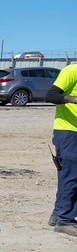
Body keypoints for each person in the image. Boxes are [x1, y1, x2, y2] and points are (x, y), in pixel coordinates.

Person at [46, 62, 77, 236]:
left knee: (70, 174)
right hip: (68, 131)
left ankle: (58, 215)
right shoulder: (72, 71)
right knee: (71, 175)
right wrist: (73, 99)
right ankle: (65, 220)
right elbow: (50, 95)